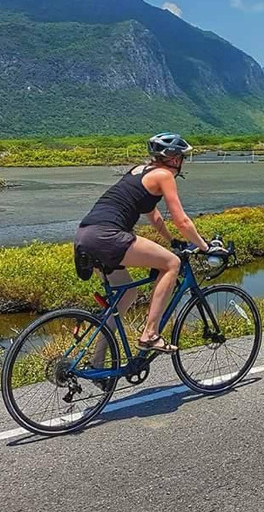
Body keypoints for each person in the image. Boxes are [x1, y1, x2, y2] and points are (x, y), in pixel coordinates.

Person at [74, 132, 221, 356]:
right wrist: (205, 247)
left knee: (127, 296)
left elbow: (153, 215)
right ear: (173, 158)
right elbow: (181, 220)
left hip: (85, 235)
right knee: (171, 264)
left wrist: (173, 240)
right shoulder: (164, 175)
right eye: (181, 157)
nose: (182, 161)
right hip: (108, 236)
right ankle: (150, 334)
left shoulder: (138, 172)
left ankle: (97, 359)